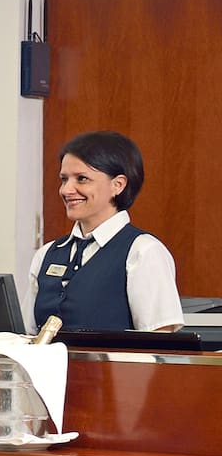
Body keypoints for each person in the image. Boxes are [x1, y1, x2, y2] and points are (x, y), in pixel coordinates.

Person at [29, 131, 181, 332]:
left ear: (117, 185)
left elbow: (159, 345)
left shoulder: (143, 251)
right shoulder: (46, 253)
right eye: (64, 179)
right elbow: (27, 334)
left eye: (82, 179)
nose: (66, 190)